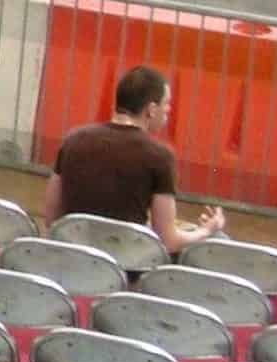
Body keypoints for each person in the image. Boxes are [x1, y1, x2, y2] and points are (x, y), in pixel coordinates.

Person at [44, 65, 226, 254]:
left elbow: (52, 219)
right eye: (166, 103)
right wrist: (207, 230)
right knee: (219, 240)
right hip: (126, 265)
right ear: (151, 109)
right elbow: (168, 241)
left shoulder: (73, 140)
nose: (169, 110)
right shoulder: (160, 156)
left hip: (74, 255)